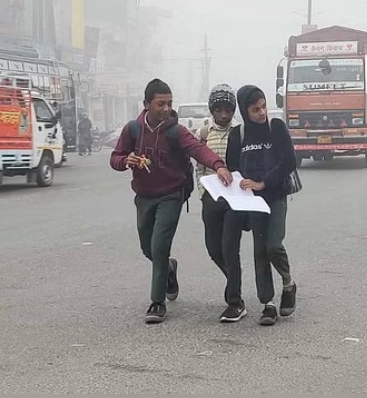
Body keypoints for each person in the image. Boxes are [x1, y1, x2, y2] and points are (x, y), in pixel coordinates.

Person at [110, 79, 233, 324]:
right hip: (144, 197)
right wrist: (127, 161)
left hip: (171, 195)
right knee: (148, 247)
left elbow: (199, 150)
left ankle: (157, 302)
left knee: (159, 246)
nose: (166, 109)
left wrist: (218, 165)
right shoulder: (132, 130)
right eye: (160, 104)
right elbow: (115, 158)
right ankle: (168, 268)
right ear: (146, 105)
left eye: (169, 104)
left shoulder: (177, 131)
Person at [226, 85, 297, 326]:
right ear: (245, 111)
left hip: (276, 195)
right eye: (255, 109)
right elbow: (233, 168)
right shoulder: (239, 135)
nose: (262, 113)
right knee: (259, 251)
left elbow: (289, 160)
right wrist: (241, 186)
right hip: (253, 202)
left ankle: (288, 283)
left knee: (273, 245)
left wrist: (263, 183)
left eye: (264, 106)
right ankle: (268, 304)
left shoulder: (275, 127)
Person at [196, 84, 248, 322]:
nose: (224, 115)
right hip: (211, 199)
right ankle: (233, 279)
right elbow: (199, 169)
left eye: (228, 109)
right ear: (213, 110)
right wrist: (202, 194)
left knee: (229, 248)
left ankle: (235, 302)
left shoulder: (241, 132)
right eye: (219, 110)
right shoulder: (204, 134)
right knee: (214, 249)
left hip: (235, 200)